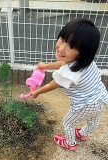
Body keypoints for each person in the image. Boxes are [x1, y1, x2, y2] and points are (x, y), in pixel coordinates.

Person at [30, 18, 108, 151]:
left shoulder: (69, 73)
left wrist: (37, 92)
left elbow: (52, 85)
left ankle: (70, 143)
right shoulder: (86, 61)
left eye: (70, 46)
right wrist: (46, 66)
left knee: (68, 122)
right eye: (62, 40)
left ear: (83, 51)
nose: (61, 48)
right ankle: (82, 134)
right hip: (102, 98)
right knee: (93, 120)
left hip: (85, 105)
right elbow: (63, 63)